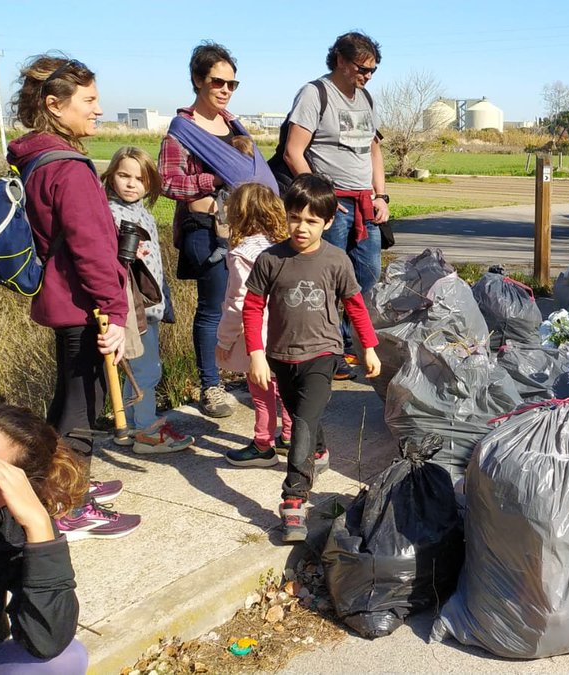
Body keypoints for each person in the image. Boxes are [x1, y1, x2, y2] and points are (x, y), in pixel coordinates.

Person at [7, 54, 141, 539]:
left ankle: (58, 482)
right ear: (54, 105)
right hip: (86, 307)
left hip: (64, 301)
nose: (98, 110)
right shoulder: (68, 168)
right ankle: (65, 506)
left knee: (69, 397)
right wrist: (115, 310)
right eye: (89, 100)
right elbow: (92, 250)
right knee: (81, 409)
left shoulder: (38, 159)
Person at [241, 174, 381, 543]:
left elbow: (355, 306)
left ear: (329, 221)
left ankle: (293, 499)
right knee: (306, 416)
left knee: (301, 421)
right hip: (280, 356)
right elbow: (253, 308)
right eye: (294, 218)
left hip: (323, 353)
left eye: (312, 221)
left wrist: (368, 346)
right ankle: (318, 450)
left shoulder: (336, 261)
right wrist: (256, 354)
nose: (301, 228)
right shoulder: (270, 260)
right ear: (285, 216)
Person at [160, 42, 278, 418]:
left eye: (232, 83)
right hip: (208, 231)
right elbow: (167, 182)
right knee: (213, 307)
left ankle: (246, 367)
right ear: (197, 80)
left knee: (253, 303)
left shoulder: (233, 124)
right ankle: (211, 386)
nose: (226, 90)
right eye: (218, 82)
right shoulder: (182, 130)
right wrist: (215, 178)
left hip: (248, 229)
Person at [281, 31, 389, 379]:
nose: (367, 76)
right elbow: (293, 152)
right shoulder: (315, 94)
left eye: (373, 70)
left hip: (364, 204)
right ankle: (329, 353)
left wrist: (380, 195)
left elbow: (374, 150)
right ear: (340, 60)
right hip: (333, 204)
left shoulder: (367, 99)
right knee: (325, 281)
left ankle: (361, 347)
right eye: (362, 68)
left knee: (366, 280)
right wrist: (322, 202)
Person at [0, 405, 89, 673]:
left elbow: (48, 640)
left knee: (65, 659)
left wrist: (38, 525)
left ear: (5, 494)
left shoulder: (6, 533)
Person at [102, 146, 194, 455]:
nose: (131, 184)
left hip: (148, 306)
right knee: (146, 370)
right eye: (123, 175)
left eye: (139, 178)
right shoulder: (109, 213)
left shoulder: (144, 213)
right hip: (129, 310)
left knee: (137, 369)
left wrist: (164, 303)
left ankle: (128, 426)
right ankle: (145, 430)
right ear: (111, 175)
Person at [216, 183, 295, 467]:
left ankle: (263, 444)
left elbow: (238, 303)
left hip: (257, 336)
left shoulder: (243, 254)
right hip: (287, 332)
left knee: (261, 394)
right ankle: (289, 436)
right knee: (285, 388)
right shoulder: (285, 247)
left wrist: (224, 341)